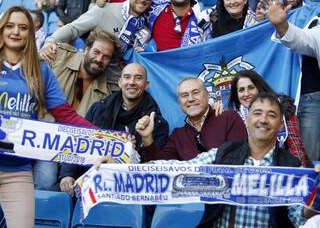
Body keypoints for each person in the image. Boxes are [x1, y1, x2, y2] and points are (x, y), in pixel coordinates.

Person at [0, 6, 94, 227]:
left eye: (23, 28)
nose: (16, 32)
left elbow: (66, 115)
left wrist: (106, 139)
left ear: (31, 33)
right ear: (1, 30)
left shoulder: (41, 70)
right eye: (10, 26)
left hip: (18, 170)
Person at [130, 93, 320, 227]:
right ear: (247, 121)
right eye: (257, 113)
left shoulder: (291, 166)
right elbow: (179, 168)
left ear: (280, 126)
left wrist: (315, 203)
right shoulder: (224, 154)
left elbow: (297, 217)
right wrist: (118, 167)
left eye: (271, 115)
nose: (263, 120)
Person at [59, 62, 169, 196]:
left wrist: (121, 163)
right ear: (119, 82)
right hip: (91, 182)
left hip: (131, 192)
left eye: (138, 78)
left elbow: (154, 167)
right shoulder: (98, 109)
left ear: (146, 85)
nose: (132, 82)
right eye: (127, 77)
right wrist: (67, 174)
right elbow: (79, 141)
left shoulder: (157, 122)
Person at [33, 28, 121, 190]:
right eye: (96, 52)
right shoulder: (59, 55)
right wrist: (39, 53)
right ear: (86, 49)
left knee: (48, 178)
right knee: (46, 177)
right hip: (36, 136)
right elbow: (24, 65)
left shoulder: (106, 92)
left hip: (69, 149)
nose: (99, 59)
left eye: (106, 57)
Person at [40, 0, 155, 91]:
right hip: (95, 82)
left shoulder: (150, 24)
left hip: (126, 88)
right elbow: (74, 28)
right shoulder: (105, 9)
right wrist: (51, 41)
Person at [258, 0, 320, 161]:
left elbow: (306, 41)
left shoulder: (315, 13)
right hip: (276, 97)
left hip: (309, 96)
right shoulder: (264, 16)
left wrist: (282, 25)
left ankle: (312, 191)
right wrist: (261, 24)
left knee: (309, 159)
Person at [136, 78, 247, 162]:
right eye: (184, 95)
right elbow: (159, 165)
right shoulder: (177, 136)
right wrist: (147, 137)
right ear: (179, 102)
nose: (190, 99)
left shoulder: (229, 118)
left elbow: (239, 157)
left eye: (195, 93)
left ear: (207, 95)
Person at [228, 69, 309, 167]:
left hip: (283, 169)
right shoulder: (233, 117)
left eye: (251, 88)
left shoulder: (283, 107)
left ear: (259, 88)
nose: (246, 94)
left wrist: (297, 174)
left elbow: (295, 147)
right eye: (241, 90)